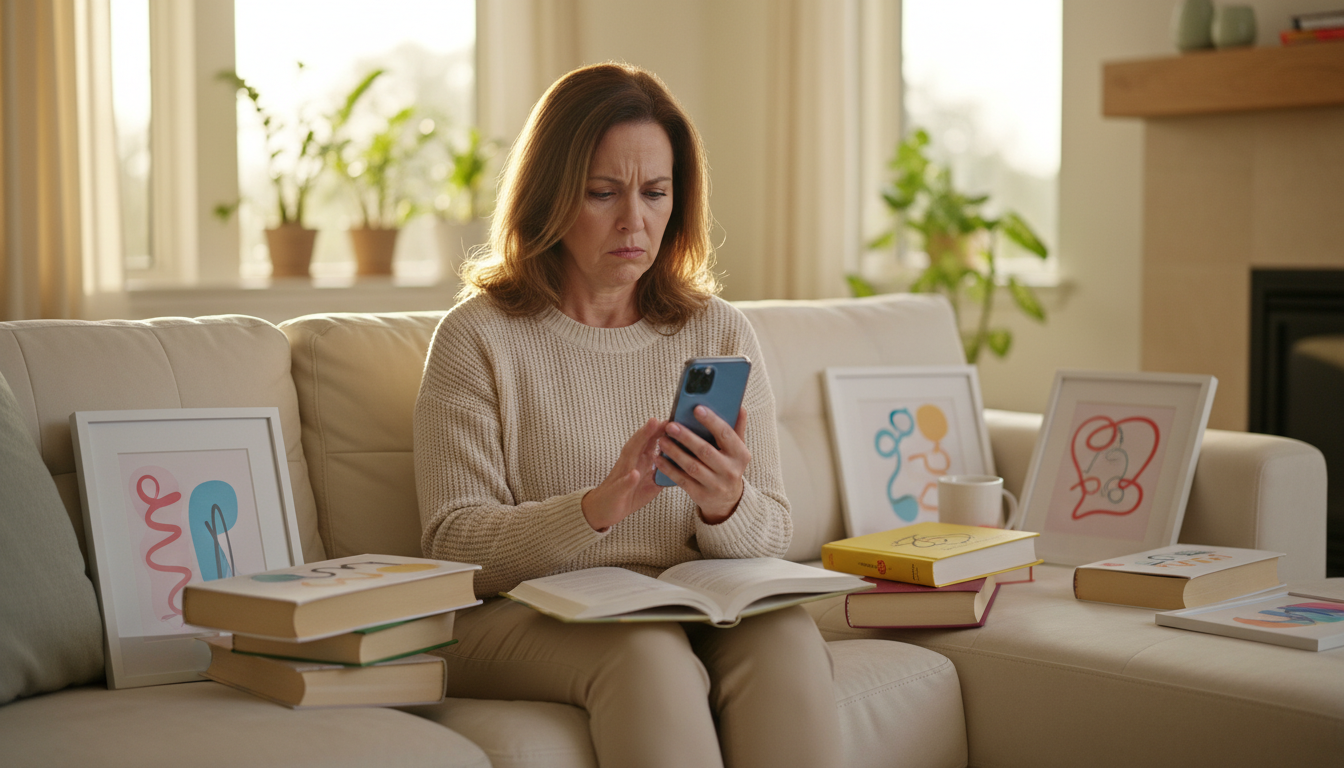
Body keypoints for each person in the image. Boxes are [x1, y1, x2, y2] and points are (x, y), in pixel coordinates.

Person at [412, 62, 843, 768]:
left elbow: (775, 526)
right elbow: (452, 544)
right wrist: (593, 509)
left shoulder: (719, 332)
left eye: (655, 193)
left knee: (787, 636)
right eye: (603, 193)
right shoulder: (477, 338)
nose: (634, 221)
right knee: (648, 655)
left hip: (683, 599)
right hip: (521, 613)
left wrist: (726, 504)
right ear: (550, 196)